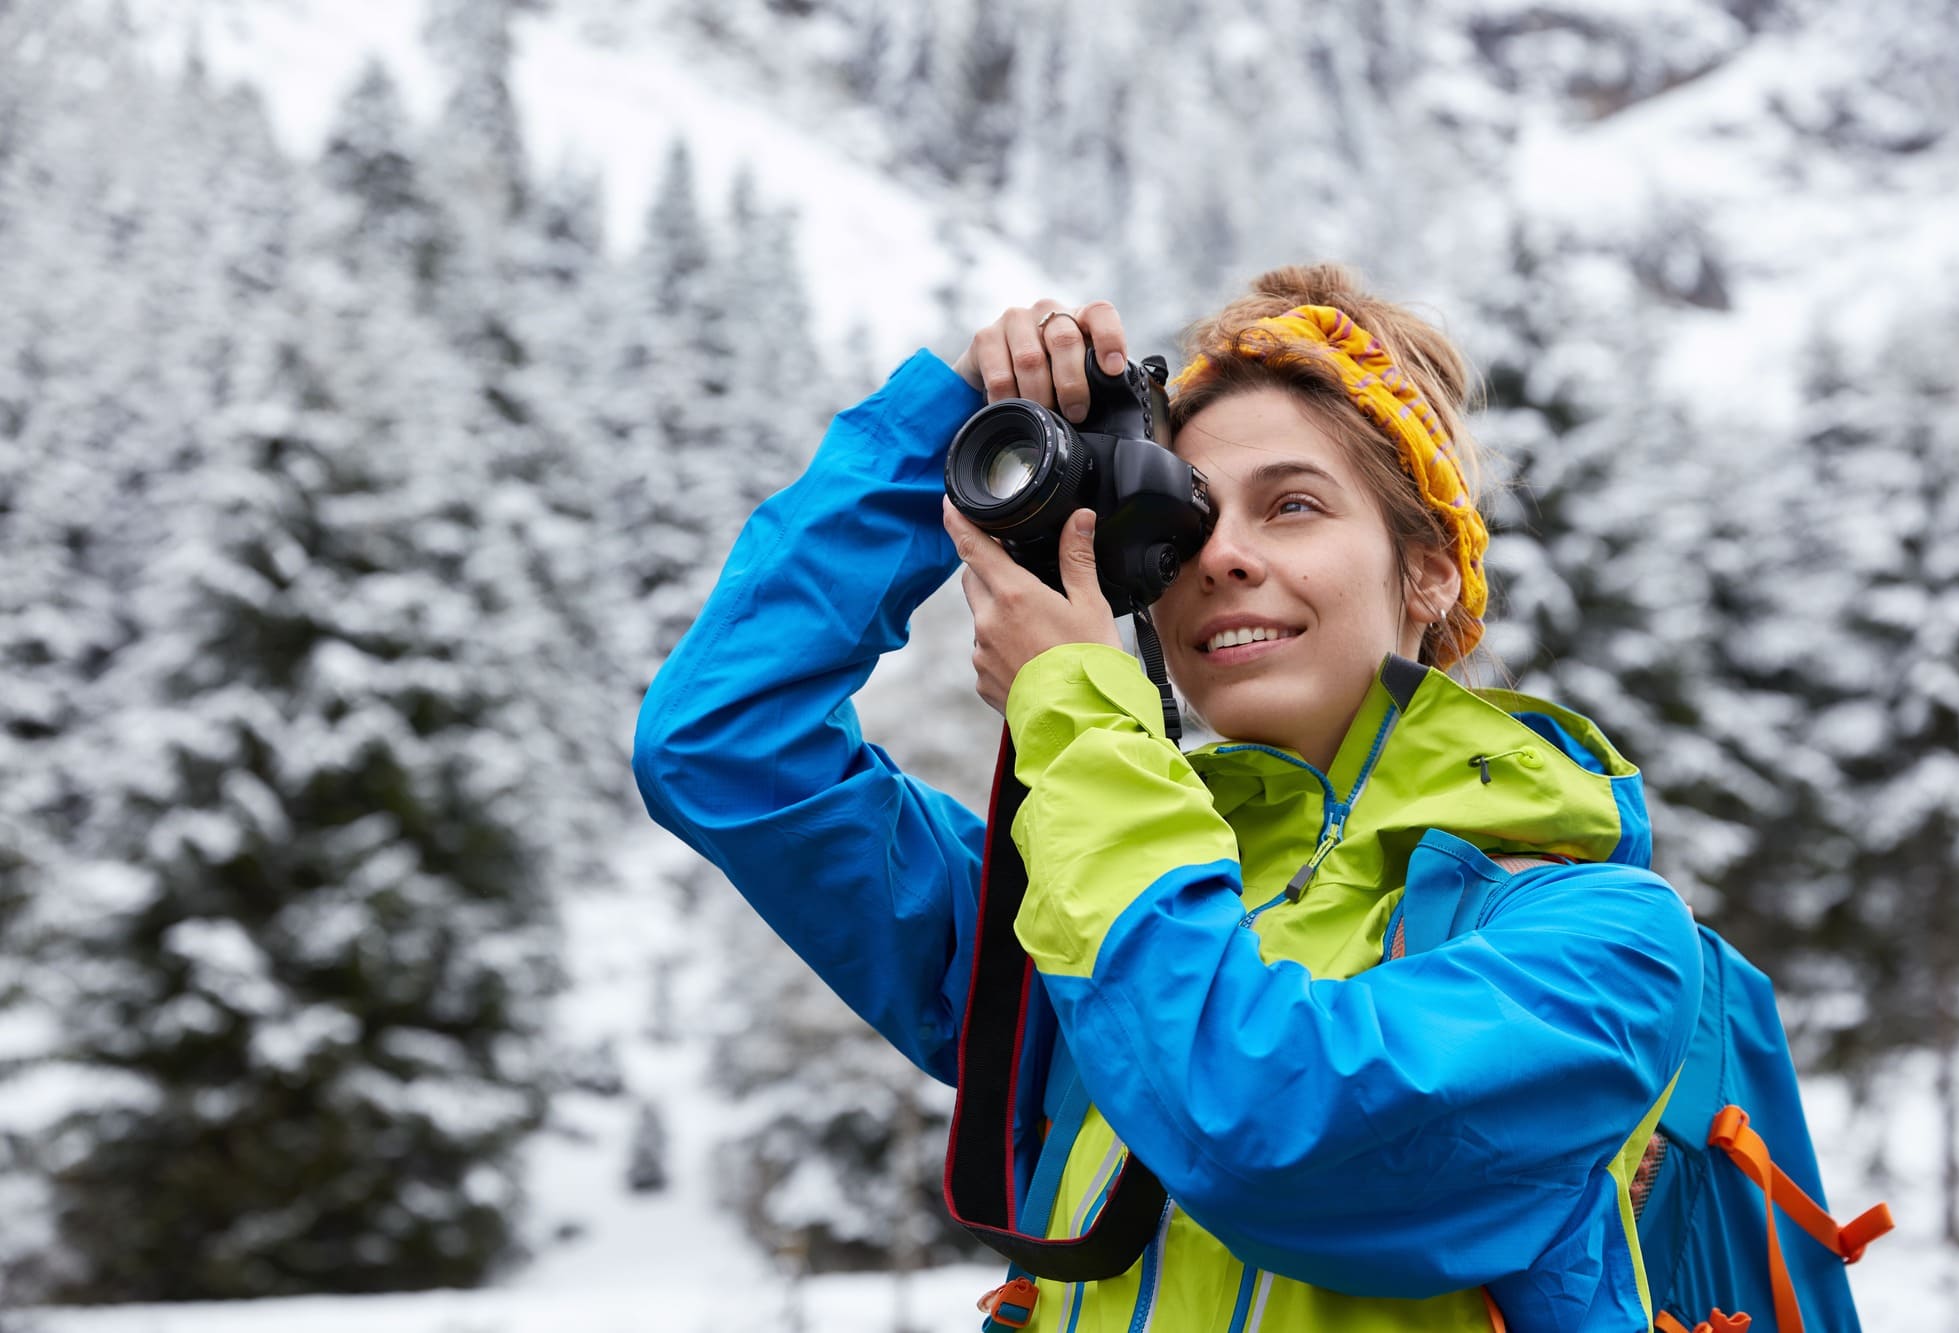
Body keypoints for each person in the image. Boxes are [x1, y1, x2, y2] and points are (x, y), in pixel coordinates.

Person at [632, 264, 1702, 1331]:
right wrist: (941, 428)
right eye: (1187, 522)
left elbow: (1256, 1122)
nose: (1223, 557)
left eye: (1290, 505)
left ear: (1426, 572)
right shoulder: (1074, 902)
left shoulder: (1601, 938)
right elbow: (720, 744)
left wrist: (1078, 721)